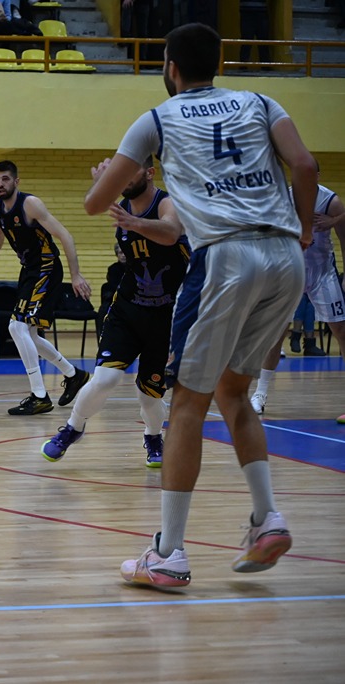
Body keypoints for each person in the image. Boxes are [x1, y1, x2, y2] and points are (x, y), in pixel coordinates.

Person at [86, 23, 318, 589]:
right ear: (219, 63)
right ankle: (267, 517)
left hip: (226, 258)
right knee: (234, 392)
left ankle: (168, 553)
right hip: (285, 256)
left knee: (187, 404)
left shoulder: (157, 119)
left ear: (169, 67)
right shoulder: (260, 102)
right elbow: (306, 167)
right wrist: (306, 231)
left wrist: (104, 181)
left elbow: (95, 203)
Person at [42, 157, 190, 468]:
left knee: (149, 395)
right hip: (127, 310)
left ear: (149, 173)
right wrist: (101, 186)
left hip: (165, 316)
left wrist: (133, 223)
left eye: (131, 171)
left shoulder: (166, 204)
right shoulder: (121, 206)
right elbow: (93, 205)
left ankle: (153, 437)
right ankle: (72, 428)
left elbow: (171, 232)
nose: (124, 178)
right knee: (105, 379)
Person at [0, 160, 92, 415]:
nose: (1, 184)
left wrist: (76, 275)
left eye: (5, 179)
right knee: (30, 335)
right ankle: (73, 374)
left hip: (47, 267)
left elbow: (65, 236)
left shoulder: (30, 204)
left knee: (16, 326)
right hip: (29, 270)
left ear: (16, 181)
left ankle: (39, 396)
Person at [250, 178, 345, 414]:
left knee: (341, 330)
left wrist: (335, 221)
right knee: (276, 334)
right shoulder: (282, 199)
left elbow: (344, 239)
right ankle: (260, 394)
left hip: (322, 272)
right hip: (289, 272)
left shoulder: (331, 201)